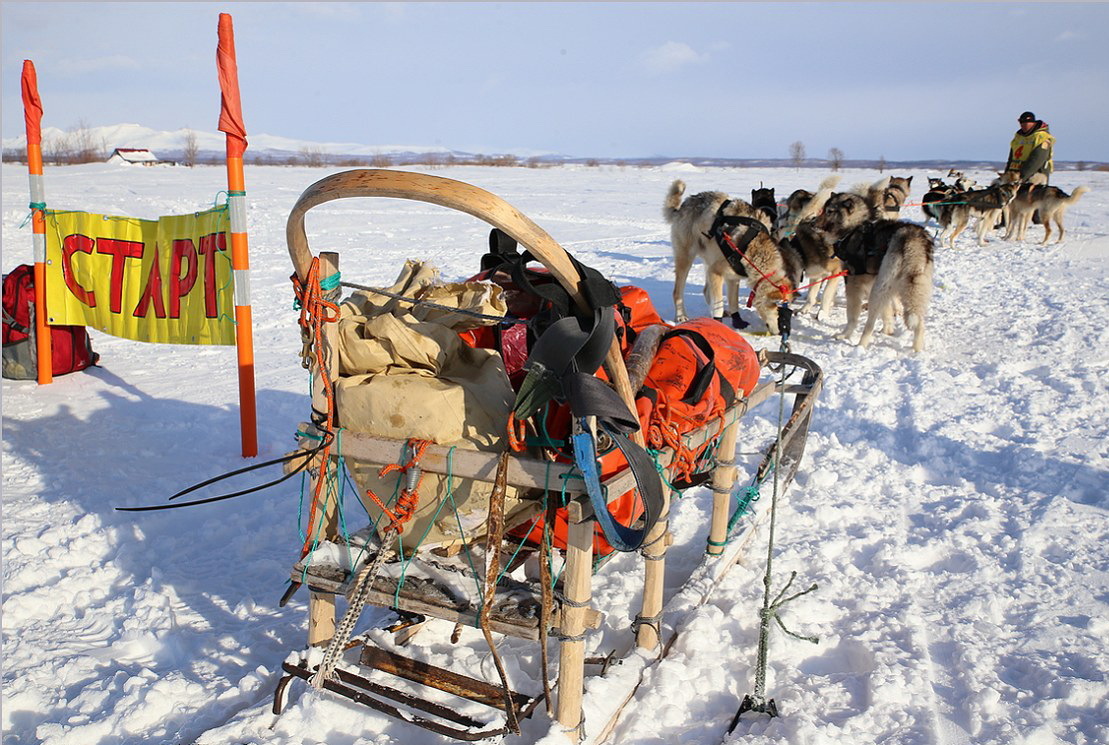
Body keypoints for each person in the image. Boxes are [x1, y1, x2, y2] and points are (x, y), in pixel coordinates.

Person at [1005, 111, 1055, 184]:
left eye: (1027, 122)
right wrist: (1007, 175)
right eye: (1021, 122)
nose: (1024, 125)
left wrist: (1022, 177)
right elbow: (1011, 158)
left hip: (1035, 178)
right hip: (1015, 176)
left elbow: (1037, 159)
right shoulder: (1018, 137)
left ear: (1033, 123)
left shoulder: (1041, 137)